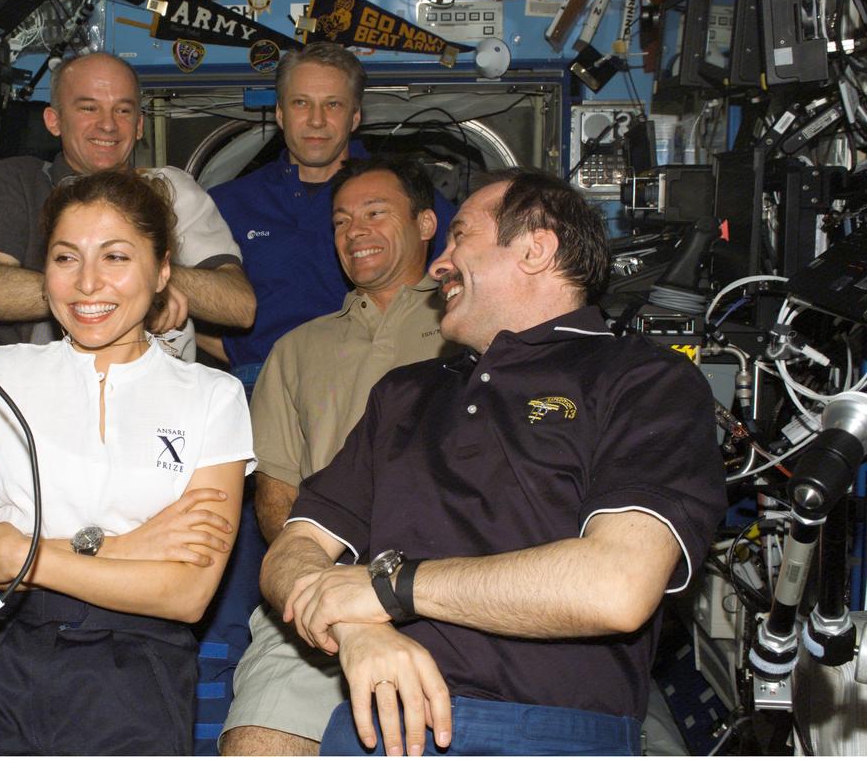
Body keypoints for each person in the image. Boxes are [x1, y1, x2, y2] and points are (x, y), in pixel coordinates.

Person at [260, 168, 726, 756]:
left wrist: (392, 590)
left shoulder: (644, 380)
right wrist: (356, 631)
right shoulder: (406, 393)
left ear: (535, 249)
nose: (438, 264)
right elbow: (292, 550)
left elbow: (618, 586)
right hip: (384, 724)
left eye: (460, 237)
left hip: (550, 732)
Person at [0, 169, 255, 755]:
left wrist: (19, 554)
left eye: (115, 257)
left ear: (162, 271)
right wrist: (125, 546)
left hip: (137, 674)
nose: (86, 283)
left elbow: (185, 595)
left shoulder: (212, 397)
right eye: (65, 257)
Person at [220, 157, 454, 756]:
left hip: (452, 594)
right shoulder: (296, 349)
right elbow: (277, 499)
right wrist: (326, 593)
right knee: (257, 746)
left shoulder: (471, 333)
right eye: (342, 221)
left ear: (427, 223)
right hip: (321, 592)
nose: (355, 232)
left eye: (376, 213)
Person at [0, 51, 254, 355]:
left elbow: (239, 305)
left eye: (123, 111)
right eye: (89, 108)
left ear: (139, 125)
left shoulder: (174, 191)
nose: (108, 125)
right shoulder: (20, 180)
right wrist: (110, 294)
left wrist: (155, 281)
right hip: (37, 377)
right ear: (54, 121)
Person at [205, 42, 455, 380]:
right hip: (261, 378)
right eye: (301, 103)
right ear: (280, 113)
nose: (316, 120)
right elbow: (172, 291)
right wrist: (242, 358)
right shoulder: (229, 203)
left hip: (378, 374)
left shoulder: (399, 194)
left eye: (333, 104)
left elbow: (470, 271)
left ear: (355, 116)